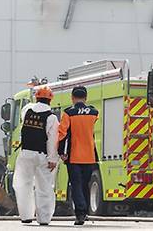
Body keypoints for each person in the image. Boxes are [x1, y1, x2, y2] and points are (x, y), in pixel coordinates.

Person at [12, 86, 60, 225]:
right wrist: (52, 159)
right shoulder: (51, 118)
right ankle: (44, 219)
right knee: (44, 187)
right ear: (50, 100)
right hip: (42, 156)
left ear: (36, 98)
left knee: (23, 185)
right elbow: (52, 141)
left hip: (25, 154)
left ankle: (26, 216)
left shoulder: (27, 110)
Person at [58, 86, 98, 226]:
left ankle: (80, 214)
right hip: (89, 156)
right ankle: (85, 211)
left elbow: (62, 134)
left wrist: (61, 152)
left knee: (76, 185)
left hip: (74, 156)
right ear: (86, 98)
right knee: (85, 185)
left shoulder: (68, 113)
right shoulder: (94, 112)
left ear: (72, 98)